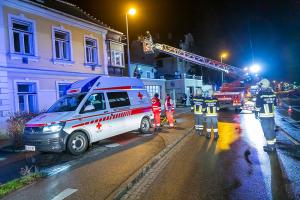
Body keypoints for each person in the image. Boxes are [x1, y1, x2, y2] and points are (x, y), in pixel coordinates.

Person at [255, 79, 277, 152]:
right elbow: (275, 104)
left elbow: (258, 105)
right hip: (271, 115)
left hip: (264, 116)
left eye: (260, 85)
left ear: (263, 85)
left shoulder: (261, 93)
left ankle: (270, 147)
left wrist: (256, 113)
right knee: (271, 129)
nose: (260, 86)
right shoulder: (272, 92)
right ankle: (273, 145)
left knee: (266, 130)